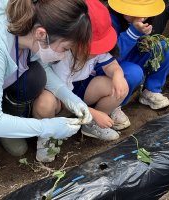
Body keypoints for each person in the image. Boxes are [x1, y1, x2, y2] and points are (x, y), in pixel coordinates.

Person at [0, 0, 92, 157]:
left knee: (36, 75)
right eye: (65, 48)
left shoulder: (29, 27)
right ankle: (4, 124)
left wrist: (69, 97)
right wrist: (46, 127)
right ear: (41, 34)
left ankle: (8, 119)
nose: (65, 54)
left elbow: (42, 65)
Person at [40, 0, 129, 162]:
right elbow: (63, 95)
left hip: (78, 93)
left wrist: (118, 75)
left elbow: (111, 65)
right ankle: (48, 136)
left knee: (116, 87)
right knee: (45, 102)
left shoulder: (96, 50)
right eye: (92, 49)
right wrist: (94, 113)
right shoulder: (63, 55)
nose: (96, 53)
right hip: (60, 100)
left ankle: (89, 126)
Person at [99, 0, 169, 119]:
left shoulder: (140, 19)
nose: (142, 15)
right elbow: (110, 57)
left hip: (130, 57)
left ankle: (151, 90)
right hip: (111, 66)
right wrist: (133, 33)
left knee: (166, 48)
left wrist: (144, 38)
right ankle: (114, 105)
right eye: (135, 10)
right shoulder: (109, 21)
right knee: (133, 73)